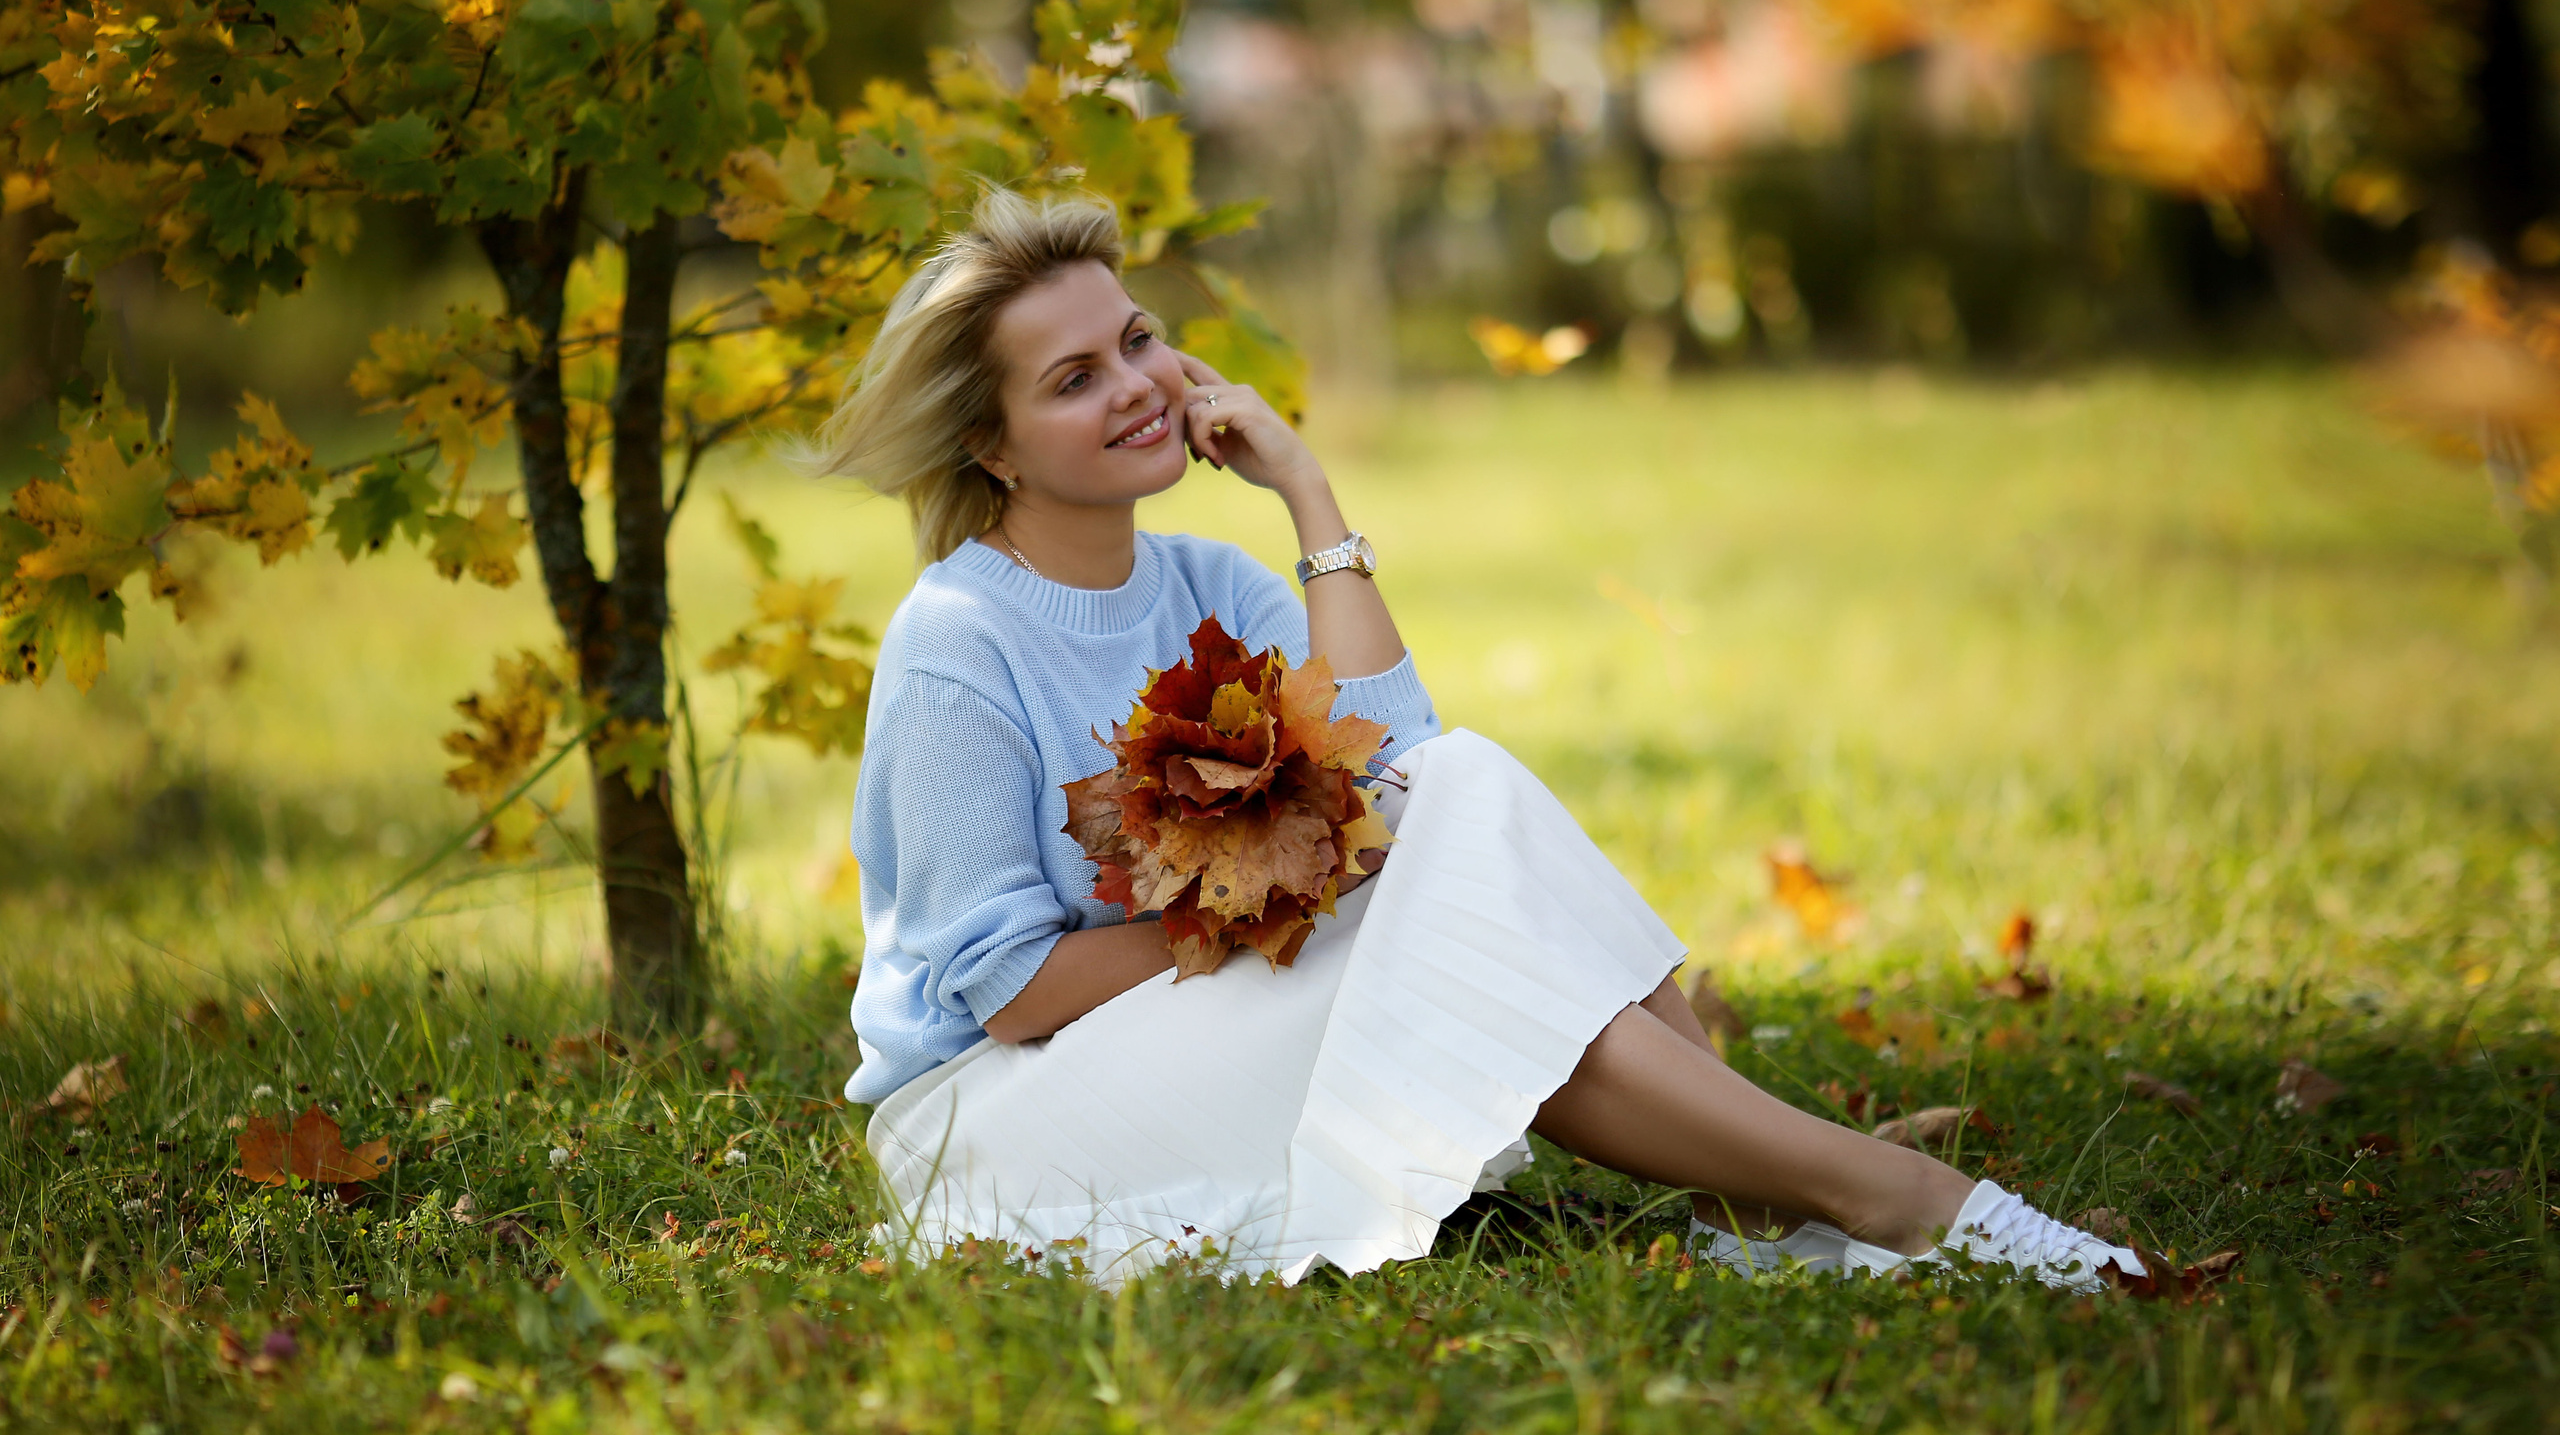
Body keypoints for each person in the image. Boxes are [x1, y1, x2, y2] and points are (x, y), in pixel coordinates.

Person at [792, 187, 2144, 1290]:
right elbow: (1011, 992)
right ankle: (1869, 1192)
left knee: (1458, 783)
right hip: (1009, 1119)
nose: (1138, 385)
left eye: (1141, 340)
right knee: (1436, 869)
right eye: (1076, 377)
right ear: (996, 446)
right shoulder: (958, 640)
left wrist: (1305, 490)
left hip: (1181, 1022)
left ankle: (1783, 1184)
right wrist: (1270, 913)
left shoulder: (1205, 580)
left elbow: (1401, 765)